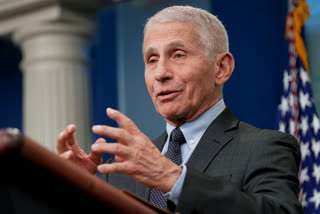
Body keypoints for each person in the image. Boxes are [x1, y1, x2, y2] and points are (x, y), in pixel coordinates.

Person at [56, 6, 303, 214]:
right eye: (151, 60)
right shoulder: (119, 170)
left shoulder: (266, 148)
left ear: (221, 68)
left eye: (178, 55)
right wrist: (77, 191)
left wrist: (175, 180)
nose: (161, 73)